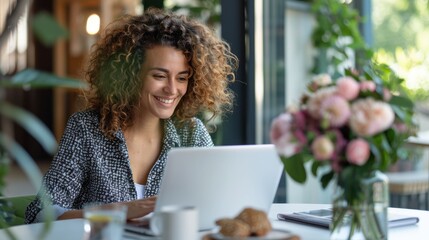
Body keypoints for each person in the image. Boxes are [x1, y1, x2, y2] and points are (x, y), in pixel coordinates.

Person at [25, 8, 238, 223]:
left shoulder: (192, 134)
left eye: (182, 78)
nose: (172, 89)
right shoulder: (87, 129)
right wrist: (117, 211)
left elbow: (218, 204)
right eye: (159, 76)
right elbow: (39, 214)